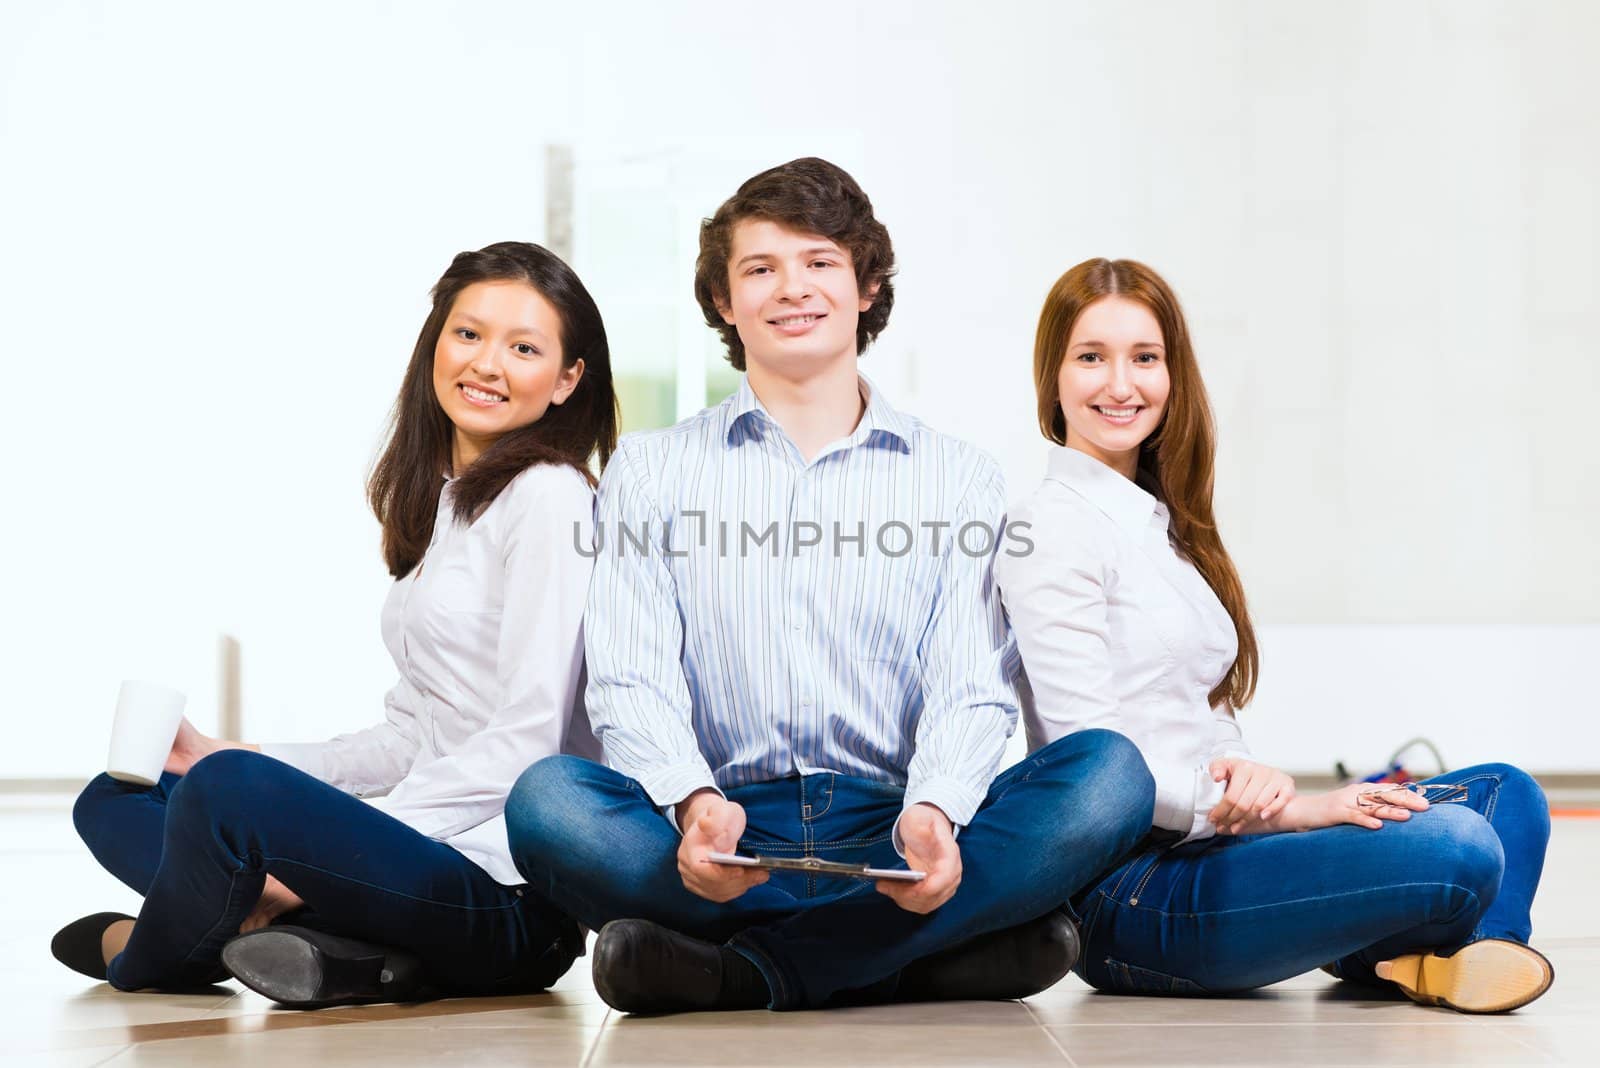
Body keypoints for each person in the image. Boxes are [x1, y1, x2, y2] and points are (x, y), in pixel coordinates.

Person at [504, 158, 1156, 1015]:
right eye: (759, 269)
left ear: (867, 286)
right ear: (724, 303)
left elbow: (970, 684)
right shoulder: (652, 470)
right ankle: (911, 958)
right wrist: (695, 803)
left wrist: (934, 812)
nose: (791, 289)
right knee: (548, 801)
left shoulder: (957, 476)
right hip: (722, 838)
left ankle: (755, 968)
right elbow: (631, 676)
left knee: (1111, 775)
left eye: (818, 262)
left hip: (895, 832)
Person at [53, 241, 620, 1008]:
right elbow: (408, 737)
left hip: (501, 897)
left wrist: (304, 855)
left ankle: (151, 949)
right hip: (418, 859)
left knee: (228, 797)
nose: (487, 363)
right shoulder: (450, 504)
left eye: (523, 348)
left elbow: (528, 743)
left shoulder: (549, 497)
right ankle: (340, 951)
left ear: (566, 380)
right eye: (469, 334)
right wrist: (229, 750)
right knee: (119, 796)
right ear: (435, 346)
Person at [995, 256, 1553, 1013]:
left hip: (1228, 848)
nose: (1120, 385)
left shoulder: (1163, 526)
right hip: (1132, 894)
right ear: (1052, 376)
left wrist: (1244, 773)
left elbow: (1205, 710)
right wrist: (1293, 811)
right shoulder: (1052, 526)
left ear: (1173, 374)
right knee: (1457, 846)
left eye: (1145, 358)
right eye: (1092, 357)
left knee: (1507, 797)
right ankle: (1440, 946)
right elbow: (1093, 770)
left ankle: (1429, 964)